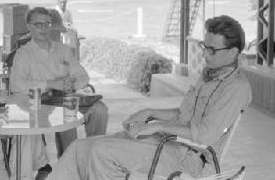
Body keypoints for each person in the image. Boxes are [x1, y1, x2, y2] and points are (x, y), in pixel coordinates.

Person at [48, 15, 252, 180]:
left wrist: (156, 126)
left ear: (233, 52)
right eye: (204, 46)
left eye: (212, 50)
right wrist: (151, 112)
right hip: (167, 142)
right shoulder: (208, 75)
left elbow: (204, 135)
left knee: (102, 152)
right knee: (80, 148)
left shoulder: (236, 88)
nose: (205, 55)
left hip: (188, 156)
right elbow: (184, 116)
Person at [10, 7, 108, 180]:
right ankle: (69, 165)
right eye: (38, 24)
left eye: (47, 24)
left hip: (65, 97)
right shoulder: (23, 54)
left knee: (100, 109)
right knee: (67, 117)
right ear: (29, 27)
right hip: (41, 103)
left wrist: (71, 84)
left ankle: (93, 156)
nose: (44, 29)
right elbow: (17, 85)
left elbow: (83, 76)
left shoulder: (63, 50)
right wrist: (51, 84)